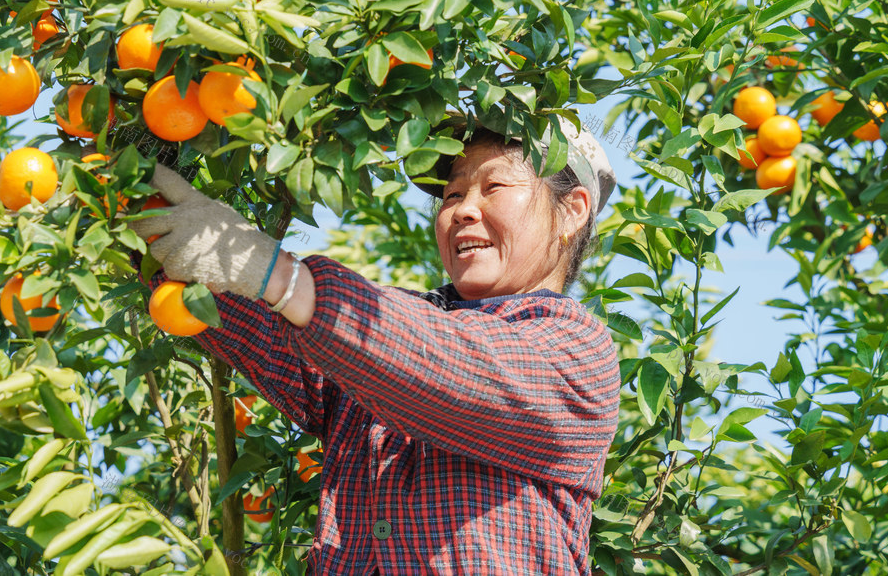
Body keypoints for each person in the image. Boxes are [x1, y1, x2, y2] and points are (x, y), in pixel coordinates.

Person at [130, 111, 622, 575]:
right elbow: (253, 317)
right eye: (451, 196)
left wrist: (278, 275)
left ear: (572, 211)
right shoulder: (384, 336)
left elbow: (455, 364)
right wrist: (134, 178)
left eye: (493, 187)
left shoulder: (577, 354)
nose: (464, 211)